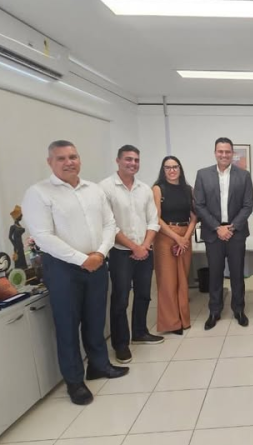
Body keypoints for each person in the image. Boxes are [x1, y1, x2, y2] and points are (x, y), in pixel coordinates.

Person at [22, 140, 128, 406]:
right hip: (63, 269)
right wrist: (82, 259)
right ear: (50, 162)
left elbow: (110, 224)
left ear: (79, 159)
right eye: (61, 158)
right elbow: (43, 236)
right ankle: (74, 381)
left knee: (95, 319)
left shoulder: (93, 190)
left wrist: (99, 254)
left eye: (73, 157)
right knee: (68, 325)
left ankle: (99, 365)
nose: (68, 162)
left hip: (97, 263)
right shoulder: (39, 193)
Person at [100, 145, 164, 364]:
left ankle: (140, 331)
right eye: (128, 159)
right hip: (120, 253)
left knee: (144, 293)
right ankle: (120, 344)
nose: (133, 163)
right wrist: (134, 247)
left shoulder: (144, 189)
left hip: (145, 250)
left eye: (136, 160)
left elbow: (153, 220)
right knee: (120, 299)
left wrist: (144, 245)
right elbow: (109, 225)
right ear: (118, 160)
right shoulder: (105, 188)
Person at [194, 137, 253, 330]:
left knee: (237, 274)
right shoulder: (203, 175)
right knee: (215, 274)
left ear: (232, 153)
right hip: (213, 233)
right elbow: (199, 205)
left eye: (227, 151)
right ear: (215, 153)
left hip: (236, 233)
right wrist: (217, 227)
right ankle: (214, 311)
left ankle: (238, 309)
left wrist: (232, 227)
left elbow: (247, 205)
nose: (224, 155)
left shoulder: (243, 175)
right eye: (220, 151)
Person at [152, 156, 198, 335]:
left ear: (180, 169)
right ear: (163, 170)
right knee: (168, 281)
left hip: (185, 235)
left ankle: (183, 320)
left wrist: (185, 237)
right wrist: (176, 238)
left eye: (175, 167)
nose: (172, 170)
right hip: (165, 236)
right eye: (168, 167)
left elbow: (194, 217)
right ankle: (171, 323)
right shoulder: (158, 189)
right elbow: (156, 218)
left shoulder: (188, 189)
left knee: (182, 280)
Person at [8, 205, 27, 270]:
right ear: (17, 216)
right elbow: (10, 237)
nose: (21, 216)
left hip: (20, 244)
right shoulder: (13, 227)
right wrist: (15, 245)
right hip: (17, 246)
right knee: (18, 260)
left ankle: (24, 268)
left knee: (22, 257)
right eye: (20, 215)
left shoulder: (19, 226)